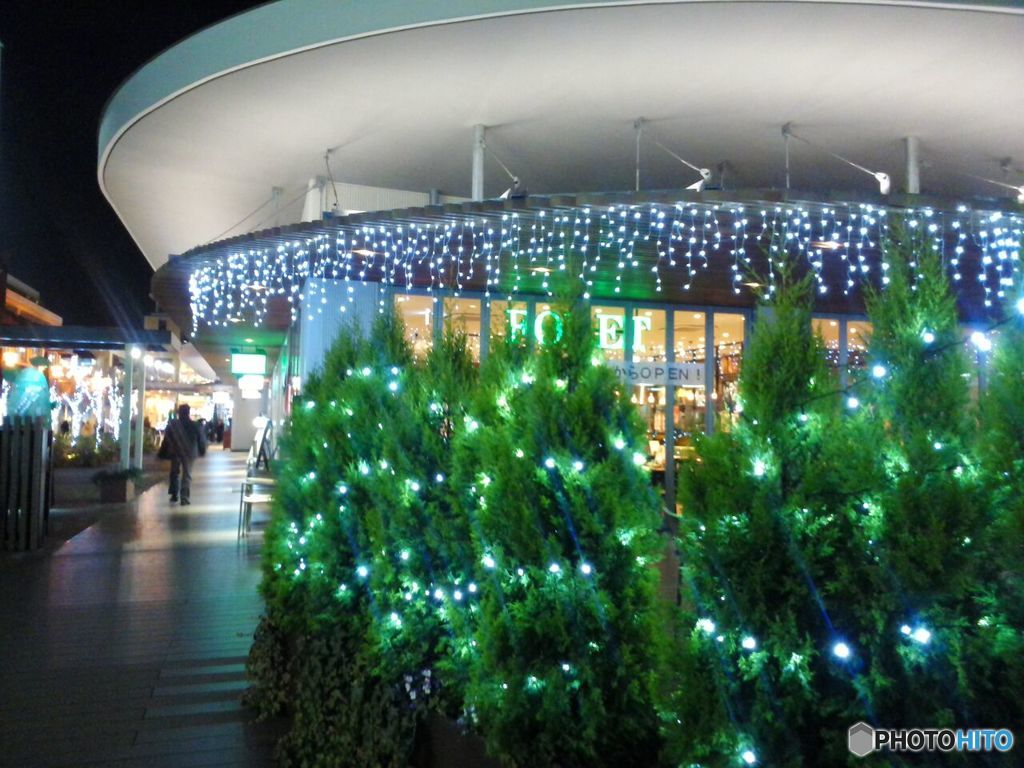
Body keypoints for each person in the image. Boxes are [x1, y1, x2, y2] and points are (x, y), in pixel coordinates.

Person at [164, 403, 207, 505]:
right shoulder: (194, 425)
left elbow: (167, 439)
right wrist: (202, 450)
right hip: (189, 452)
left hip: (176, 451)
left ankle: (174, 494)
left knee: (174, 473)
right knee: (186, 474)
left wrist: (164, 452)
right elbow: (200, 439)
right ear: (188, 412)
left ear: (179, 413)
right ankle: (184, 497)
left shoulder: (173, 425)